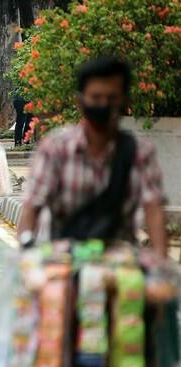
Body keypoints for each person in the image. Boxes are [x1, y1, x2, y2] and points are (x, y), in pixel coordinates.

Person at [17, 57, 167, 257]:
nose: (104, 104)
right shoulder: (56, 148)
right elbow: (33, 205)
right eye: (96, 97)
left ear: (125, 101)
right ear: (80, 102)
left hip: (119, 269)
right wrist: (25, 247)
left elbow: (153, 208)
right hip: (61, 262)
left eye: (112, 98)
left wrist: (161, 264)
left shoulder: (141, 153)